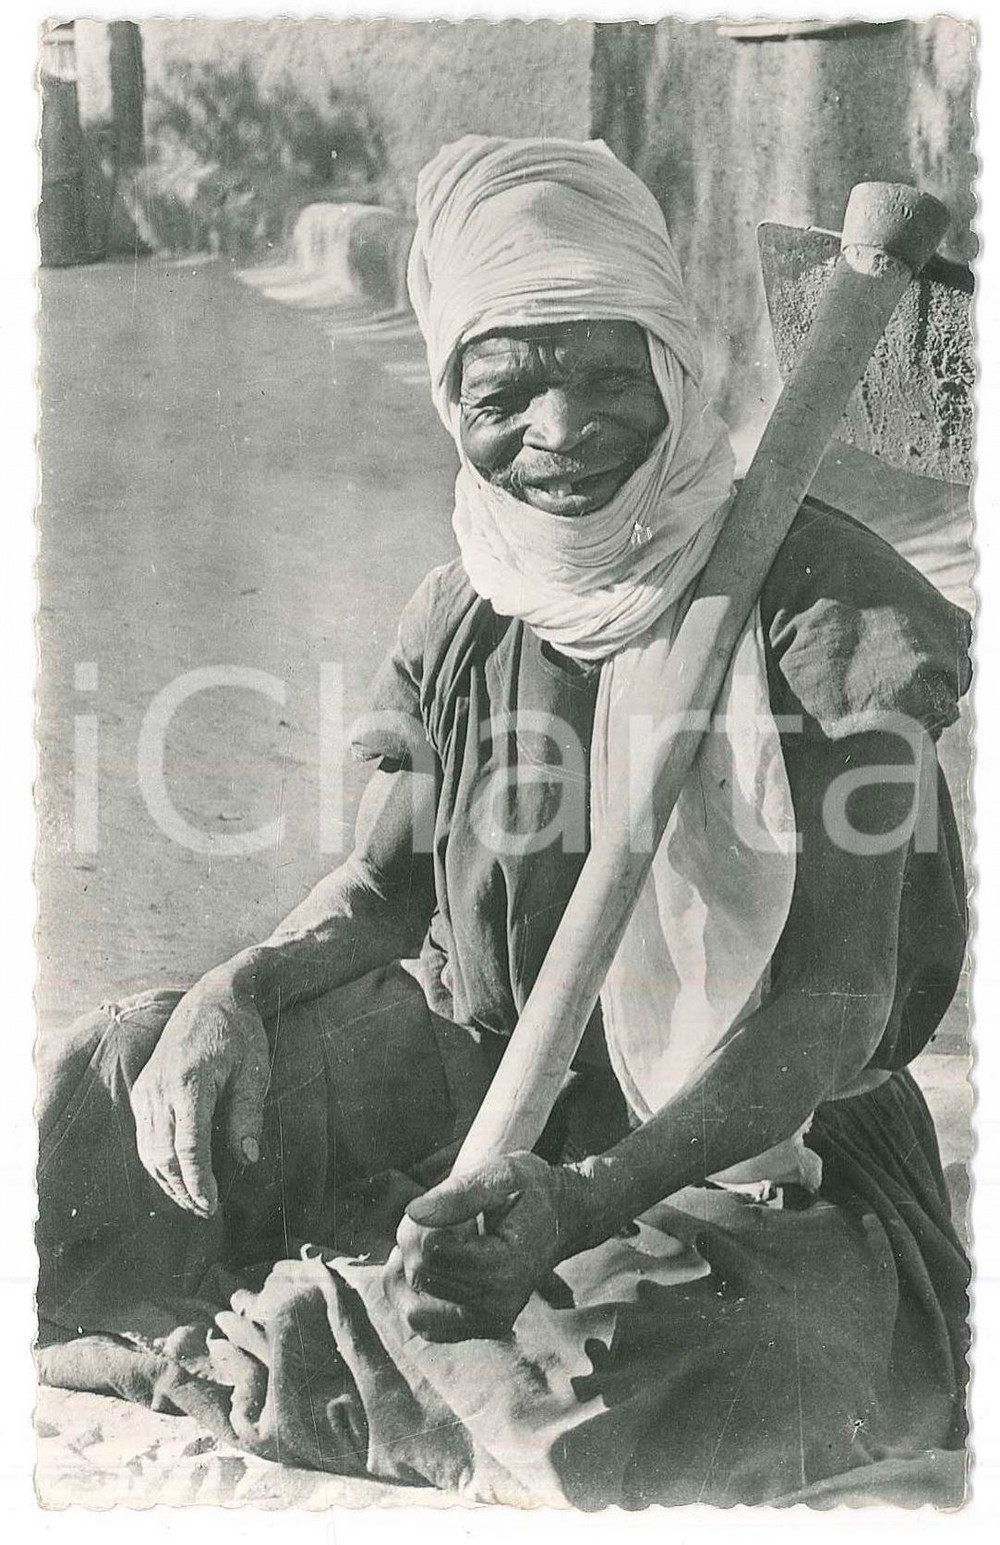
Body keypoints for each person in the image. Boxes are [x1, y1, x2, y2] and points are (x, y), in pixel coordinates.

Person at [37, 137, 971, 1507]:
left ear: (675, 358)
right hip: (486, 1081)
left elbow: (835, 1000)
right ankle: (357, 1325)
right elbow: (382, 889)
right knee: (108, 1084)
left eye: (607, 373)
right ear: (447, 396)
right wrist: (233, 994)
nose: (560, 430)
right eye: (504, 389)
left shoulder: (828, 605)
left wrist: (587, 1200)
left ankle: (316, 1341)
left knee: (642, 1389)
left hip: (757, 1160)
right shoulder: (468, 612)